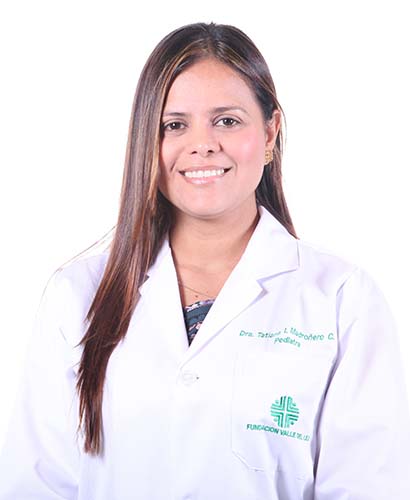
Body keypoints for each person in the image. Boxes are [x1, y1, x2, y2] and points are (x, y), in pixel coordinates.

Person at [0, 21, 409, 500]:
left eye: (227, 121)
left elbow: (366, 487)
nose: (203, 144)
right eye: (175, 125)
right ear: (148, 141)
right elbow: (39, 485)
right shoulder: (77, 295)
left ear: (270, 132)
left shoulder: (341, 299)